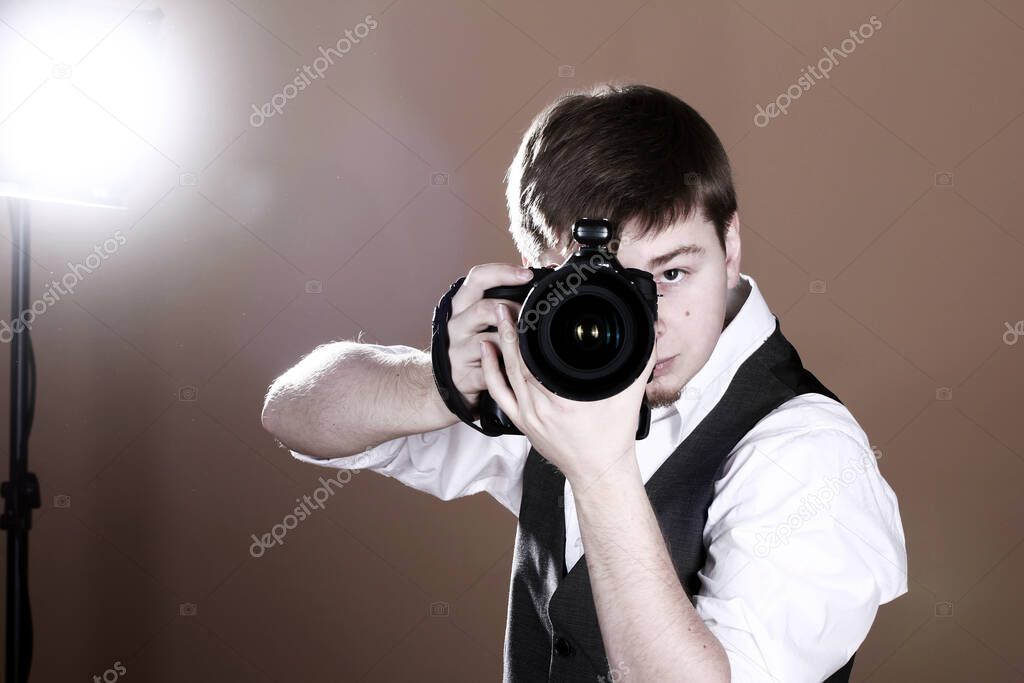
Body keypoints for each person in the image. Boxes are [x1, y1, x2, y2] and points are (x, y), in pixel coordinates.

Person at [261, 82, 908, 682]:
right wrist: (441, 382)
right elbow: (292, 411)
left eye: (672, 274)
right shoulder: (547, 378)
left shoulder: (811, 453)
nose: (646, 325)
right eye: (606, 291)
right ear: (536, 273)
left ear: (729, 244)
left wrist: (601, 471)